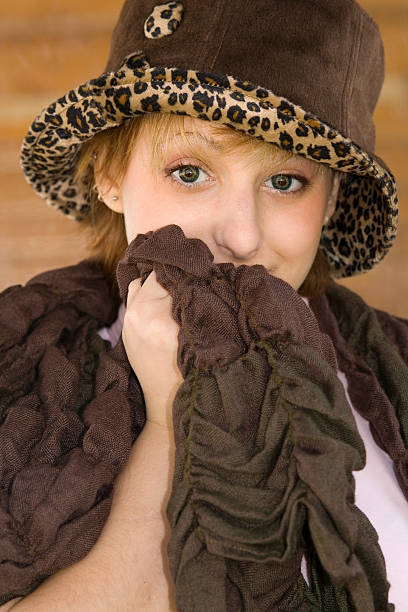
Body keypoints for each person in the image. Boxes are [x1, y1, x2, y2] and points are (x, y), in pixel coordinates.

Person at [0, 0, 407, 610]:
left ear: (330, 201)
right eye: (190, 172)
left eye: (285, 181)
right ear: (111, 173)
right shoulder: (18, 372)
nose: (240, 237)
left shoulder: (394, 374)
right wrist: (172, 420)